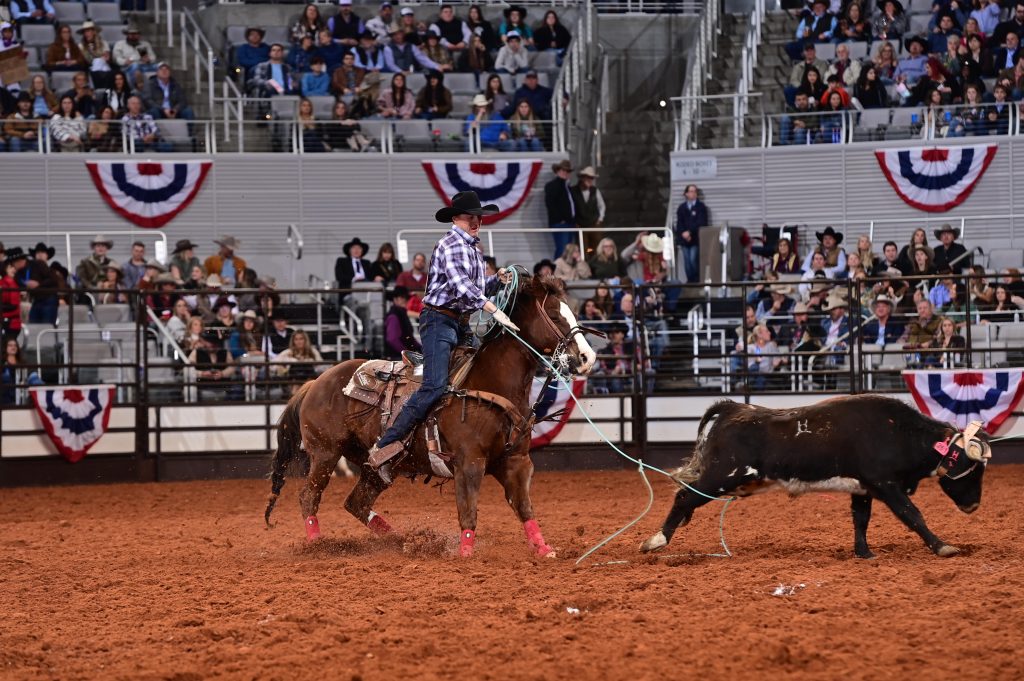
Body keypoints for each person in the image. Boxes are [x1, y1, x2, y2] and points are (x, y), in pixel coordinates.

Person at [367, 191, 518, 484]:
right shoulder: (449, 244)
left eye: (479, 217)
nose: (477, 221)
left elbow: (472, 286)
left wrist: (494, 282)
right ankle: (385, 446)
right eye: (471, 216)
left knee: (479, 377)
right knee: (435, 385)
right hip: (438, 321)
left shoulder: (473, 247)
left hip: (459, 322)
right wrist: (490, 306)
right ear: (457, 218)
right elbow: (462, 287)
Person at [675, 184, 709, 284]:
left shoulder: (701, 207)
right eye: (690, 191)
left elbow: (701, 222)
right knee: (687, 261)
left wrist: (690, 232)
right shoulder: (681, 207)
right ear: (686, 193)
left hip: (695, 238)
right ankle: (690, 280)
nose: (693, 193)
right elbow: (679, 223)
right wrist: (683, 233)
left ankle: (696, 279)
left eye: (694, 191)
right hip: (684, 239)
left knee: (693, 259)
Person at [273, 329, 324, 394]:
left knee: (307, 368)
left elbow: (322, 367)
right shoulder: (287, 353)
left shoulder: (313, 352)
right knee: (295, 368)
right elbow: (273, 366)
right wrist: (282, 369)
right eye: (296, 339)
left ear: (305, 340)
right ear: (293, 341)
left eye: (301, 339)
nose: (298, 341)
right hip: (292, 382)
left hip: (309, 382)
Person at [544, 159, 576, 260]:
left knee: (569, 250)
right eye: (563, 170)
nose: (565, 173)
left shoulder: (567, 186)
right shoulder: (553, 185)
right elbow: (550, 204)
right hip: (561, 223)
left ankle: (566, 272)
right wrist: (560, 219)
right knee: (562, 249)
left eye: (567, 171)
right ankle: (558, 272)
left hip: (569, 222)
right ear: (557, 171)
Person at [571, 166, 606, 254]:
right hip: (580, 225)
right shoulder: (573, 191)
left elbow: (602, 206)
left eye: (592, 178)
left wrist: (600, 219)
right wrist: (574, 222)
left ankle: (594, 265)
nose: (590, 180)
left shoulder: (595, 191)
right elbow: (570, 208)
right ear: (582, 178)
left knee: (595, 248)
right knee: (584, 249)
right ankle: (585, 264)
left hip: (594, 224)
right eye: (588, 178)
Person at [383, 285, 421, 360]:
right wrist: (406, 353)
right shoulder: (394, 316)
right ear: (395, 299)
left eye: (404, 298)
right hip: (396, 358)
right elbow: (392, 339)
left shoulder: (401, 315)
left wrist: (419, 347)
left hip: (401, 357)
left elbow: (409, 337)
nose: (404, 300)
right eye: (402, 298)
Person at [78, 21, 112, 89]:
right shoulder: (81, 46)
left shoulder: (103, 43)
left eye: (88, 31)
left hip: (103, 66)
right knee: (97, 61)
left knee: (100, 62)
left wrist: (105, 57)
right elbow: (85, 60)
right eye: (85, 32)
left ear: (94, 32)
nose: (86, 34)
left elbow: (107, 57)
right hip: (89, 67)